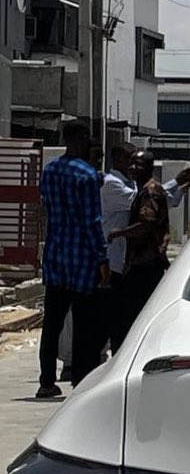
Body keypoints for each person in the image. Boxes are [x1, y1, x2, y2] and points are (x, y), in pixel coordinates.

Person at [36, 120, 109, 400]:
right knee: (83, 324)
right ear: (82, 140)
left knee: (52, 324)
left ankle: (46, 380)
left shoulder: (50, 170)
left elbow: (47, 211)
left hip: (56, 256)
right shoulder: (87, 175)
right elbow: (92, 221)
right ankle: (80, 379)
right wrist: (102, 258)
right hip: (82, 260)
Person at [103, 145, 190, 352]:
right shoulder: (128, 186)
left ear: (149, 167)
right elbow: (167, 199)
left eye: (138, 164)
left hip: (143, 264)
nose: (133, 167)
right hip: (132, 262)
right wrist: (179, 185)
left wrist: (119, 233)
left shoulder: (149, 190)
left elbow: (147, 223)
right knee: (125, 317)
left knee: (133, 317)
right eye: (132, 163)